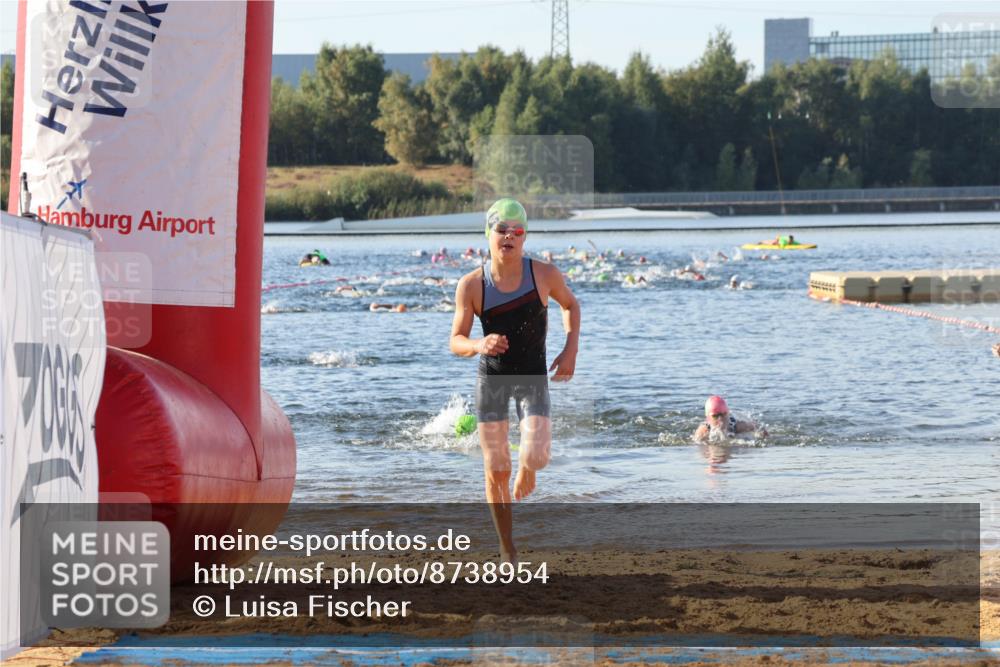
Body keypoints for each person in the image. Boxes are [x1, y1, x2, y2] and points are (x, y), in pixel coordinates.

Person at [450, 198, 581, 563]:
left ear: (525, 237)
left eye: (517, 230)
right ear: (488, 234)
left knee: (535, 456)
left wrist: (570, 349)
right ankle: (507, 548)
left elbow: (571, 305)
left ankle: (528, 466)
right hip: (492, 380)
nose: (509, 236)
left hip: (531, 378)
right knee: (495, 470)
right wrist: (479, 344)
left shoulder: (543, 275)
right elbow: (455, 340)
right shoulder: (472, 285)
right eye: (501, 229)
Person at [692, 395, 766, 442]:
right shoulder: (703, 431)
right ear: (708, 417)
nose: (720, 420)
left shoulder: (737, 426)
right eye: (715, 416)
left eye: (723, 415)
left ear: (727, 413)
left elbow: (758, 427)